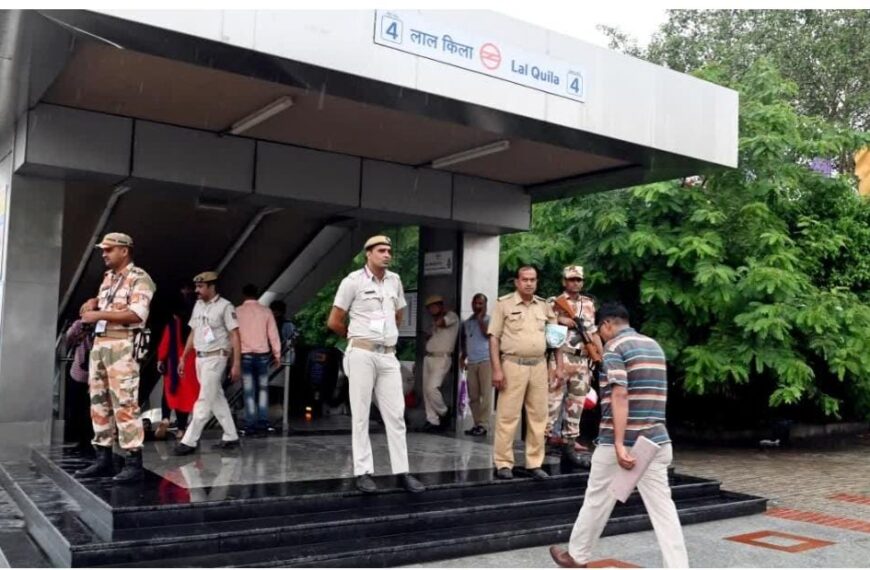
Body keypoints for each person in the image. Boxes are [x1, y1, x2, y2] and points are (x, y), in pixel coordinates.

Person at [549, 302, 689, 568]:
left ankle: (577, 556)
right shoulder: (653, 346)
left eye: (599, 331)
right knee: (663, 510)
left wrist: (618, 444)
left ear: (607, 325)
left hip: (624, 443)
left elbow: (620, 393)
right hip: (657, 439)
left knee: (597, 497)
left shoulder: (615, 347)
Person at [326, 235, 425, 494]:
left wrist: (387, 333)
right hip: (361, 353)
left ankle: (402, 471)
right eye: (381, 250)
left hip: (387, 355)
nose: (387, 254)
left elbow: (399, 313)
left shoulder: (395, 281)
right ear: (368, 254)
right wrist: (356, 336)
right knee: (360, 415)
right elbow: (334, 320)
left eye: (389, 250)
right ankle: (363, 471)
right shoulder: (353, 281)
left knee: (396, 415)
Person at [74, 232, 156, 484]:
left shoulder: (139, 278)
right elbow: (108, 302)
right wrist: (93, 302)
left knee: (125, 403)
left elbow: (136, 314)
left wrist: (98, 315)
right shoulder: (108, 278)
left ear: (124, 251)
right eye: (103, 250)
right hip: (100, 345)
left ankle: (133, 462)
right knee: (99, 403)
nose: (104, 254)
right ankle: (103, 459)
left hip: (122, 345)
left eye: (108, 250)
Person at [488, 266, 560, 481]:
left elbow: (555, 339)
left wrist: (558, 366)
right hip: (512, 364)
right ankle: (503, 463)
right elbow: (494, 338)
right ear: (517, 282)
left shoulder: (545, 306)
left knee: (539, 416)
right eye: (525, 279)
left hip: (539, 365)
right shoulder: (504, 304)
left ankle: (534, 463)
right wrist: (497, 369)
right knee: (507, 416)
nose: (529, 283)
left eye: (533, 279)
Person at [173, 272, 242, 455]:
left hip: (216, 356)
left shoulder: (225, 306)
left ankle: (189, 440)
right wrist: (184, 356)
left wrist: (236, 363)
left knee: (204, 400)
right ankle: (231, 436)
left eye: (201, 287)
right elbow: (193, 331)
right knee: (216, 397)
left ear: (212, 287)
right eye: (196, 286)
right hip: (200, 357)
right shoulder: (198, 305)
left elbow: (235, 335)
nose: (197, 290)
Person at [547, 265, 603, 467]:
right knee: (551, 406)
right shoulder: (554, 303)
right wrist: (562, 320)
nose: (575, 283)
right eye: (571, 279)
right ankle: (537, 452)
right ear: (564, 281)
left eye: (578, 280)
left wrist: (600, 356)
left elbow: (594, 332)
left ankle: (569, 449)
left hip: (581, 361)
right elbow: (549, 330)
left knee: (576, 407)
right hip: (561, 358)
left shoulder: (588, 304)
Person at [236, 284, 282, 437]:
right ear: (257, 294)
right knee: (263, 389)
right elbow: (273, 335)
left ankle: (250, 424)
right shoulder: (266, 311)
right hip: (262, 355)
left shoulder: (237, 312)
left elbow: (233, 337)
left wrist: (232, 358)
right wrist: (277, 354)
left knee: (249, 391)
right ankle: (263, 422)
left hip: (245, 355)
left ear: (243, 294)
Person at [155, 292, 200, 441]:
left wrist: (160, 360)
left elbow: (165, 344)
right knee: (185, 397)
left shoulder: (172, 325)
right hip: (190, 365)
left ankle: (166, 417)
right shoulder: (194, 326)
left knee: (168, 392)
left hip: (173, 364)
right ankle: (181, 429)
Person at [420, 295, 460, 432]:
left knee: (432, 388)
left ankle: (444, 412)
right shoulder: (434, 321)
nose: (432, 310)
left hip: (442, 357)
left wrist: (442, 313)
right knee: (426, 390)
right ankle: (432, 420)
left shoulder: (451, 316)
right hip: (429, 357)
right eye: (430, 308)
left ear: (441, 306)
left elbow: (442, 323)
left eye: (434, 306)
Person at [460, 293, 492, 436]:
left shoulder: (489, 320)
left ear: (485, 305)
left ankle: (484, 425)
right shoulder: (467, 323)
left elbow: (487, 335)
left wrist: (480, 320)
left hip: (486, 360)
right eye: (475, 303)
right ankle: (477, 423)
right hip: (472, 362)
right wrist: (463, 357)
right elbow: (466, 341)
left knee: (485, 394)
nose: (478, 306)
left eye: (481, 304)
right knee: (473, 396)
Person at [270, 300, 298, 365]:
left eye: (276, 313)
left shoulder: (287, 324)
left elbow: (292, 340)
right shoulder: (270, 323)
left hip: (284, 358)